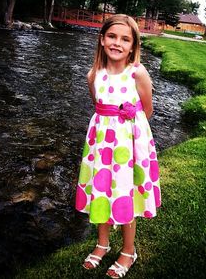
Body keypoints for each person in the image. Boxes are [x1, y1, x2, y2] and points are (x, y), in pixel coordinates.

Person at [75, 14, 161, 278]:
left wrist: (129, 136)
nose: (117, 43)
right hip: (100, 145)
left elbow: (147, 110)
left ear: (133, 45)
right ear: (102, 40)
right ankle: (102, 243)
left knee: (126, 193)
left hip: (128, 147)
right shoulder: (94, 75)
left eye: (125, 39)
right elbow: (99, 108)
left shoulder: (137, 73)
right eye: (111, 36)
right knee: (101, 190)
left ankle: (128, 250)